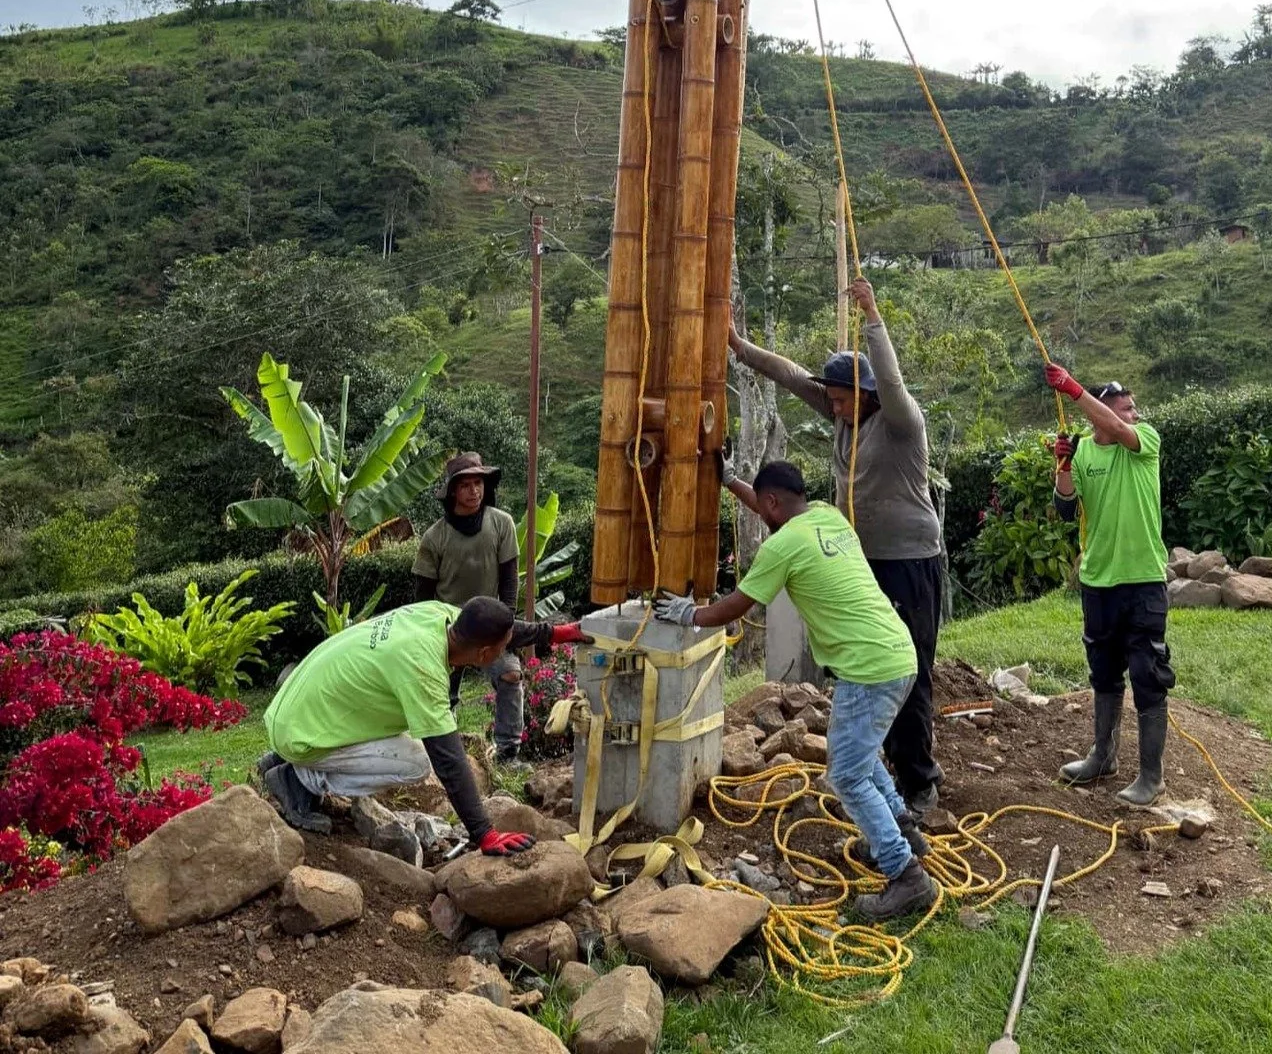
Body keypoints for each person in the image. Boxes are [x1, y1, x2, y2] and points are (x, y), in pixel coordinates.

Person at [656, 459, 939, 923]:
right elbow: (769, 505)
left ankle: (905, 874)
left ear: (772, 502)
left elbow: (737, 605)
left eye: (762, 503)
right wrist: (731, 482)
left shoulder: (782, 546)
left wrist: (689, 615)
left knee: (847, 775)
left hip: (867, 669)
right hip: (896, 653)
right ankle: (904, 832)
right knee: (859, 757)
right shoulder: (827, 515)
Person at [726, 276, 945, 811]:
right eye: (833, 400)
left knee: (909, 670)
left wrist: (872, 316)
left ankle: (920, 783)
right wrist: (738, 347)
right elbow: (792, 375)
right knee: (869, 666)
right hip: (866, 560)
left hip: (909, 560)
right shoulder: (843, 414)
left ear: (865, 395)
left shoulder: (900, 422)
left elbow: (891, 381)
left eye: (843, 400)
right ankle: (887, 774)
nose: (836, 408)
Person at [260, 595, 588, 851]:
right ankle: (299, 777)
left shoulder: (439, 616)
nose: (507, 649)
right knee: (416, 763)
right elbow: (449, 759)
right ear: (485, 654)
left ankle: (284, 759)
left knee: (404, 729)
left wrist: (559, 633)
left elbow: (504, 629)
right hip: (300, 732)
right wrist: (484, 833)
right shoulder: (422, 669)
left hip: (292, 712)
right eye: (502, 649)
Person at [1045, 364, 1173, 806]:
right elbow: (1065, 507)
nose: (1134, 414)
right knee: (1103, 672)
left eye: (1134, 408)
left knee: (1148, 675)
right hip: (1098, 581)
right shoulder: (1084, 452)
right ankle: (1103, 756)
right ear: (1100, 414)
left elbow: (1118, 429)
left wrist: (1071, 388)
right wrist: (1063, 465)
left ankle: (1152, 777)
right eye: (1125, 408)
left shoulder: (1145, 440)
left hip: (1143, 580)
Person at [412, 452, 525, 760]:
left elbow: (509, 578)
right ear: (453, 492)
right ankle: (442, 755)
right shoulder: (434, 537)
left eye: (478, 483)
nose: (474, 491)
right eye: (465, 485)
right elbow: (423, 595)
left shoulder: (501, 524)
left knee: (510, 674)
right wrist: (428, 636)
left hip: (489, 624)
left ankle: (508, 752)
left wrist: (507, 621)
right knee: (441, 695)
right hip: (447, 629)